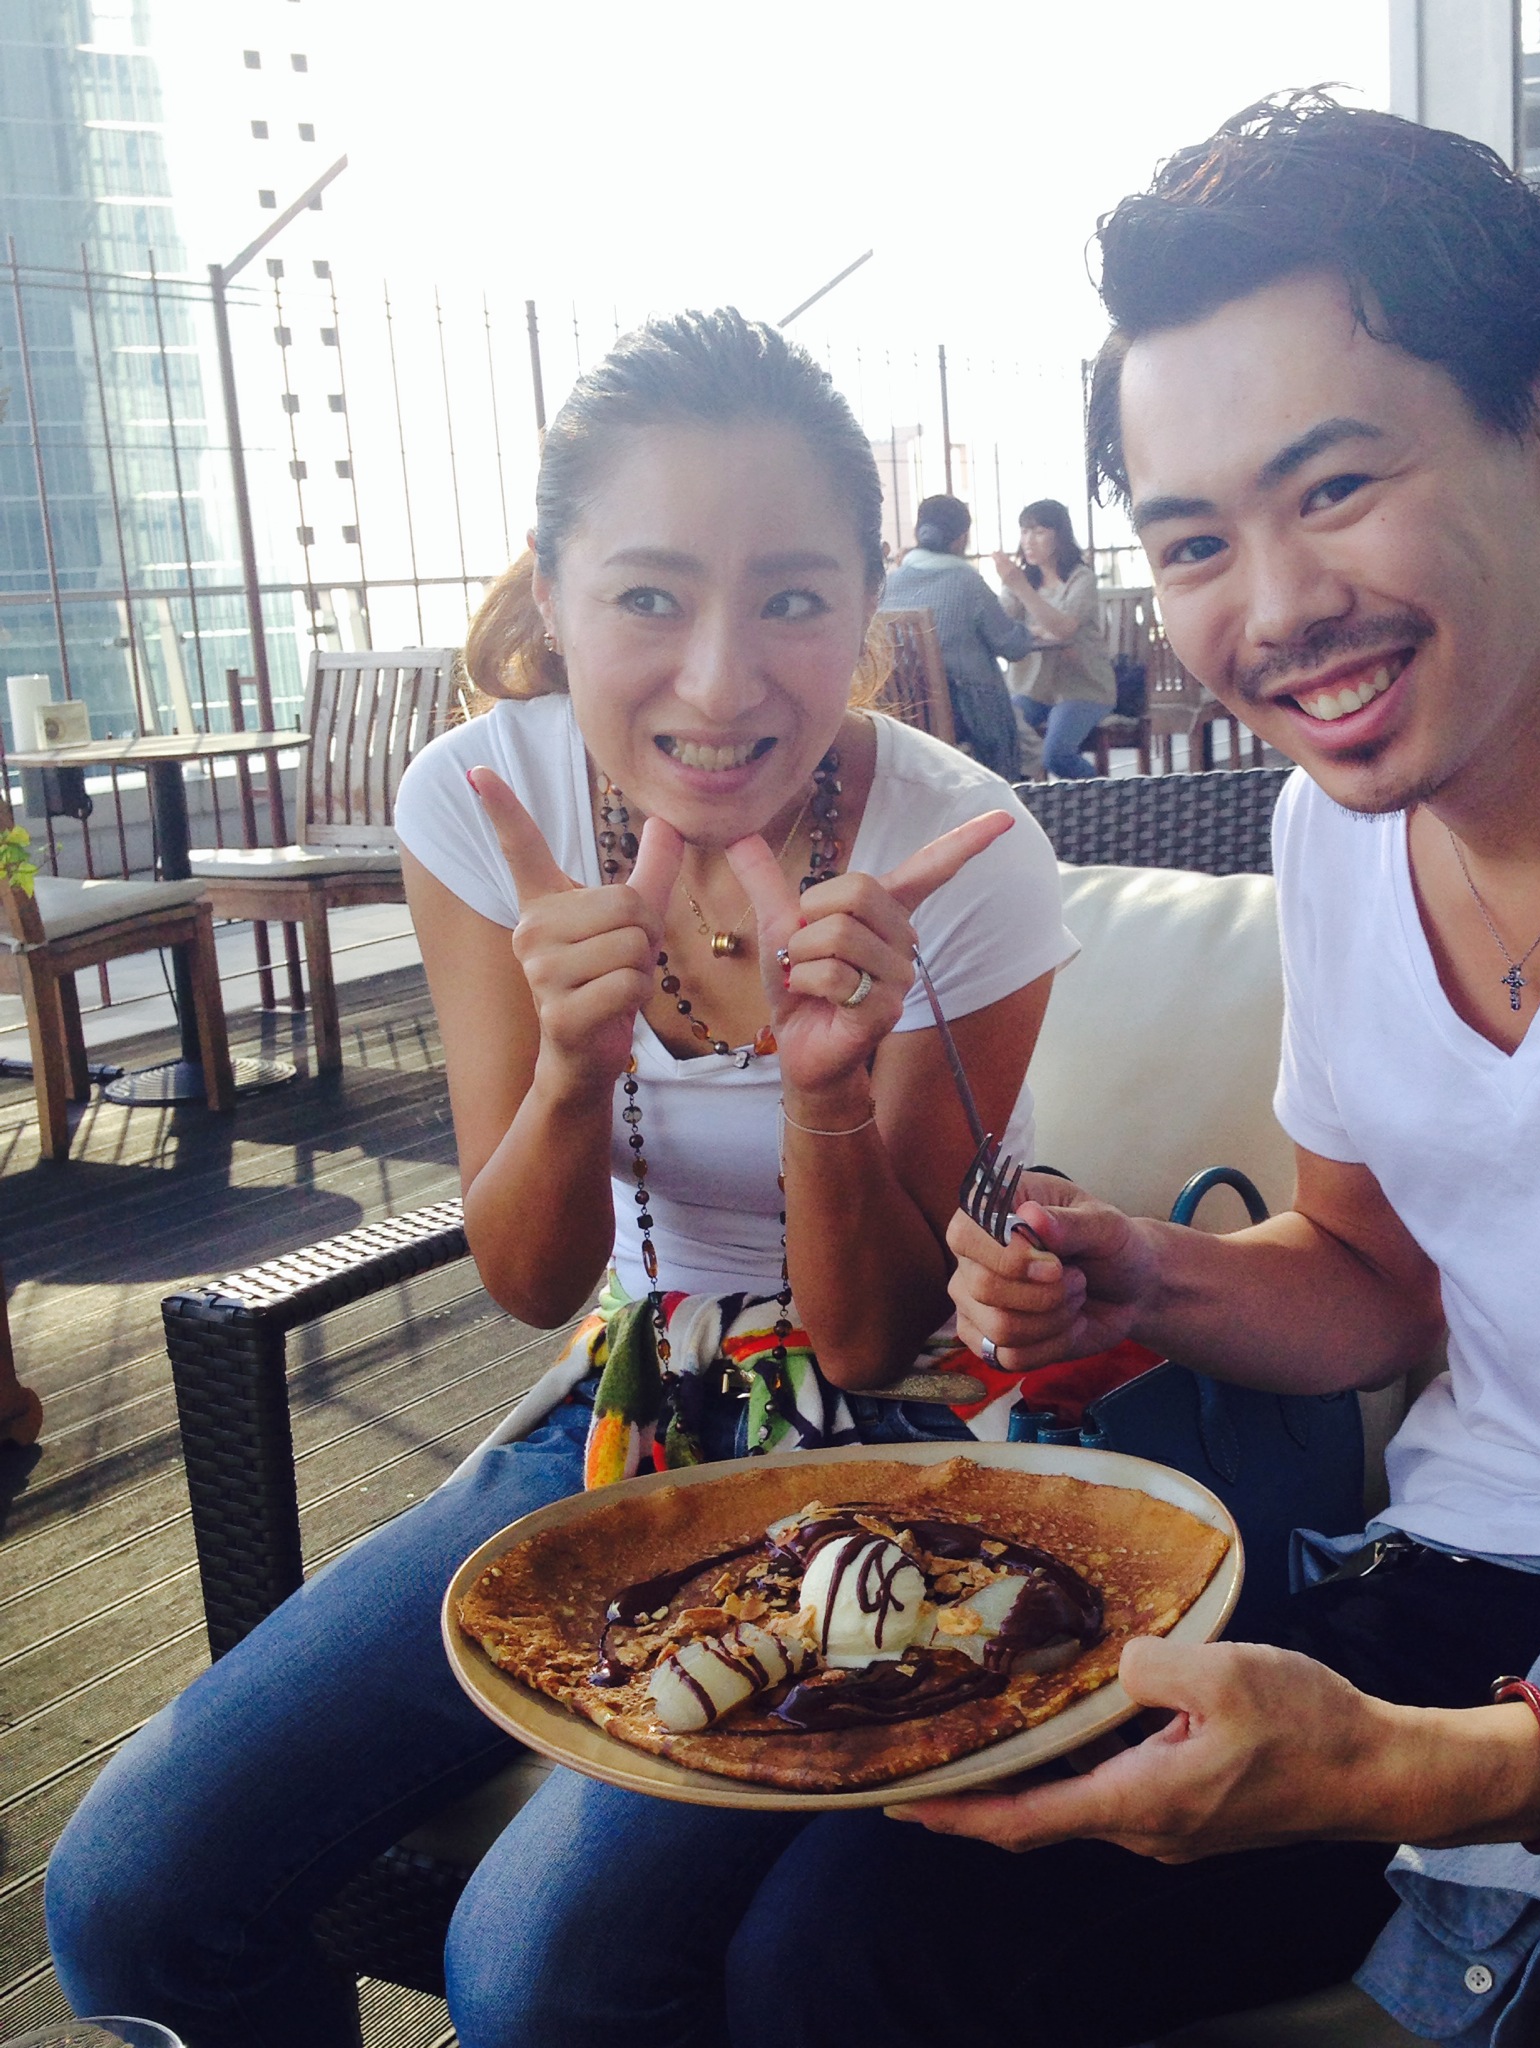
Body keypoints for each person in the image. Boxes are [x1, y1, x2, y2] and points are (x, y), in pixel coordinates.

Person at [725, 96, 1540, 2048]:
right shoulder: (1328, 831)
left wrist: (1428, 1773)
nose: (1271, 610)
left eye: (1333, 486)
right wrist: (1142, 1274)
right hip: (1465, 1579)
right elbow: (1378, 1285)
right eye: (1193, 540)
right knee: (843, 1945)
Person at [43, 309, 1074, 2048]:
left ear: (865, 615)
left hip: (895, 1444)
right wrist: (574, 1067)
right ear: (555, 591)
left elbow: (871, 1332)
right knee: (131, 1889)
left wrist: (823, 1084)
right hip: (622, 1409)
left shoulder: (965, 851)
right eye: (651, 594)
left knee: (537, 1972)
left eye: (793, 599)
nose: (721, 681)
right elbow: (529, 1278)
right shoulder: (481, 796)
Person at [880, 492, 1037, 778]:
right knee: (1030, 750)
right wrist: (1027, 633)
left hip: (901, 719)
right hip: (966, 719)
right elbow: (1012, 646)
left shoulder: (889, 584)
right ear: (961, 539)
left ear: (918, 532)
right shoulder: (967, 582)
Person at [996, 497, 1116, 776]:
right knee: (1000, 735)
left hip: (1082, 687)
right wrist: (1037, 626)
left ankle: (1109, 797)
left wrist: (1022, 589)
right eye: (1024, 531)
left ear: (1059, 536)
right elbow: (1001, 627)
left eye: (1039, 532)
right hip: (1031, 688)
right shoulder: (1020, 580)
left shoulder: (1080, 578)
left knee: (1056, 755)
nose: (1029, 540)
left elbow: (1064, 629)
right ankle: (1032, 801)